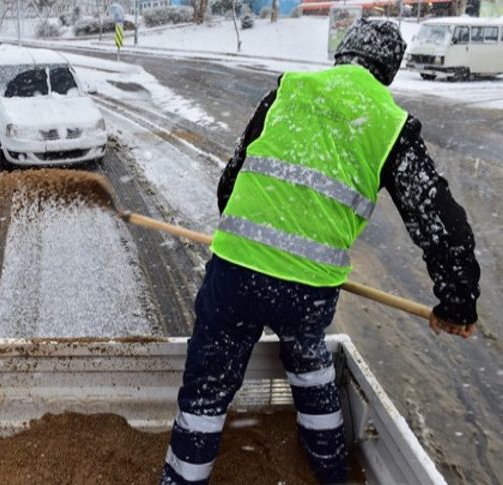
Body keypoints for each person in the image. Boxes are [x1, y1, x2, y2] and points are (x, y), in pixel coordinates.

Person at [161, 18, 480, 484]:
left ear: (343, 54)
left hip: (235, 273)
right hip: (307, 291)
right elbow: (440, 223)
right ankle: (333, 473)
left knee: (207, 388)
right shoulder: (388, 121)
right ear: (388, 71)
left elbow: (232, 179)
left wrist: (249, 237)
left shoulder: (289, 90)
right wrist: (457, 303)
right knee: (311, 366)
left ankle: (183, 478)